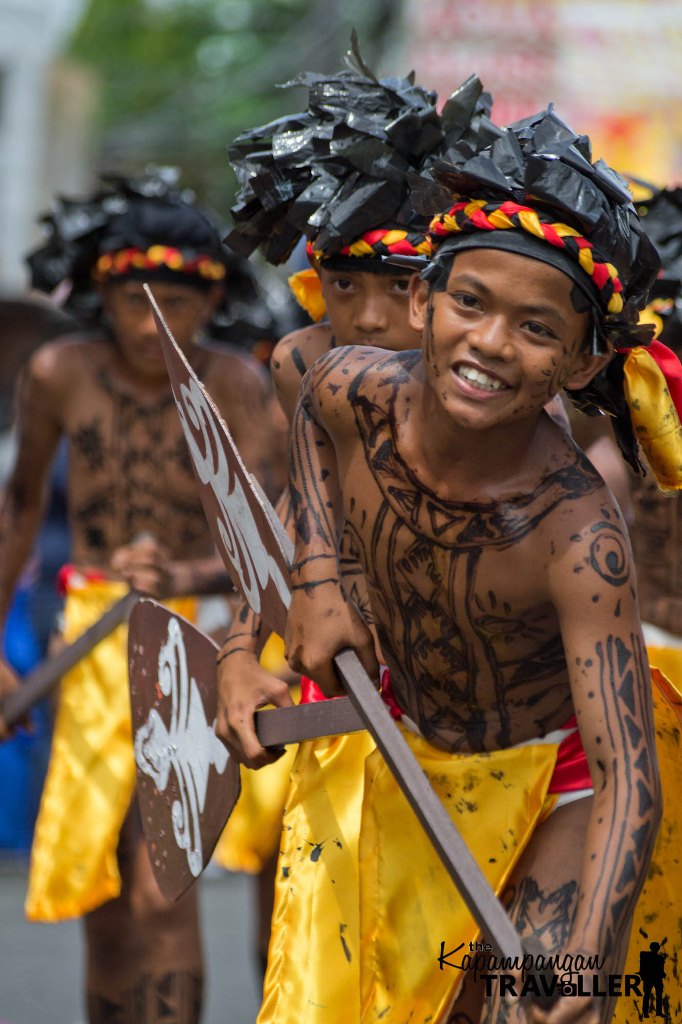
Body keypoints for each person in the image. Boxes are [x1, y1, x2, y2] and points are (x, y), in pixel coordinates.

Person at [223, 107, 680, 1024]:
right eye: (470, 303)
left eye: (536, 329)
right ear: (426, 303)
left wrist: (591, 956)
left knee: (526, 1009)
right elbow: (303, 397)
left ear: (583, 363)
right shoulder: (351, 386)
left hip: (555, 776)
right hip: (402, 748)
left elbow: (626, 767)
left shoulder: (577, 534)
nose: (490, 344)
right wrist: (308, 589)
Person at [215, 44, 501, 976]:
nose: (372, 319)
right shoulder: (301, 365)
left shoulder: (500, 389)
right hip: (339, 707)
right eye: (346, 285)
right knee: (315, 970)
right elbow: (286, 521)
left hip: (490, 741)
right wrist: (234, 656)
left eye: (401, 287)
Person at [0, 168, 282, 1024]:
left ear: (213, 301)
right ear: (101, 295)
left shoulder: (238, 386)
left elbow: (269, 544)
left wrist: (189, 579)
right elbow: (18, 514)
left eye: (181, 298)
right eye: (135, 297)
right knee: (104, 895)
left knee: (167, 885)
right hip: (87, 639)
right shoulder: (57, 373)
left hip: (200, 639)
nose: (156, 317)